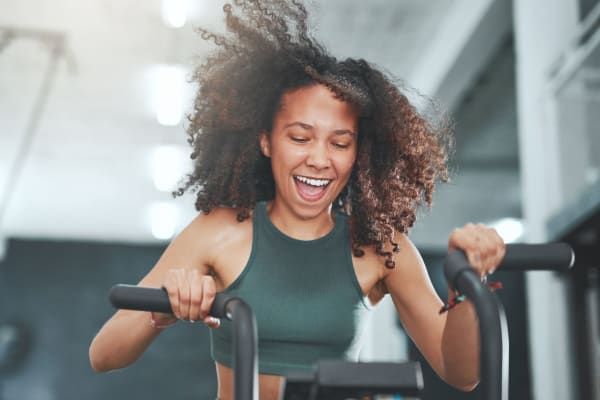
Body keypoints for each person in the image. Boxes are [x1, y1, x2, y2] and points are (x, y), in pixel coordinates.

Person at [89, 1, 506, 399]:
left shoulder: (380, 248)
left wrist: (467, 285)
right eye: (300, 138)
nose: (320, 159)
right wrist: (164, 310)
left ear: (358, 153)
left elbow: (462, 373)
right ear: (266, 141)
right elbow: (103, 355)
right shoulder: (217, 232)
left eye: (340, 143)